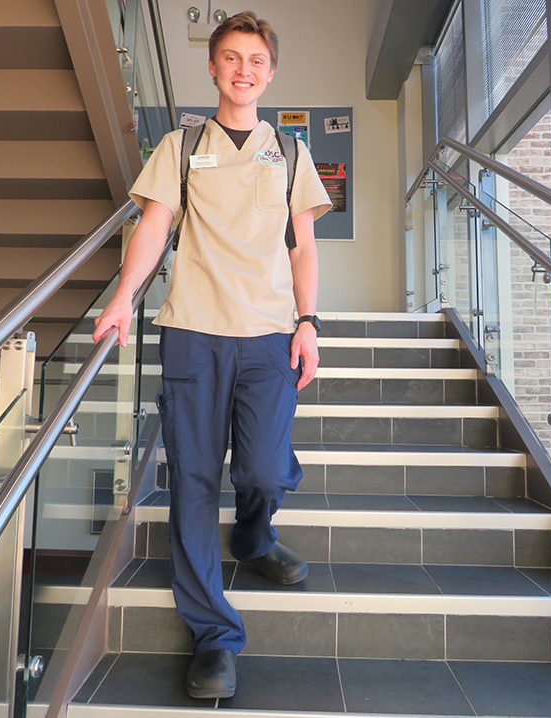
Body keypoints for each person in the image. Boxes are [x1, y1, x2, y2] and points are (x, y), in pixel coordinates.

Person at [93, 10, 331, 699]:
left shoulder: (288, 152)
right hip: (193, 333)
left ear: (270, 71)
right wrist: (123, 297)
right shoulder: (181, 143)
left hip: (267, 337)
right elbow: (154, 228)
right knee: (194, 484)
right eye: (231, 58)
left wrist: (309, 322)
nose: (243, 70)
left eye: (255, 61)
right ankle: (214, 637)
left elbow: (303, 246)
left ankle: (253, 538)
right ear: (214, 67)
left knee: (260, 468)